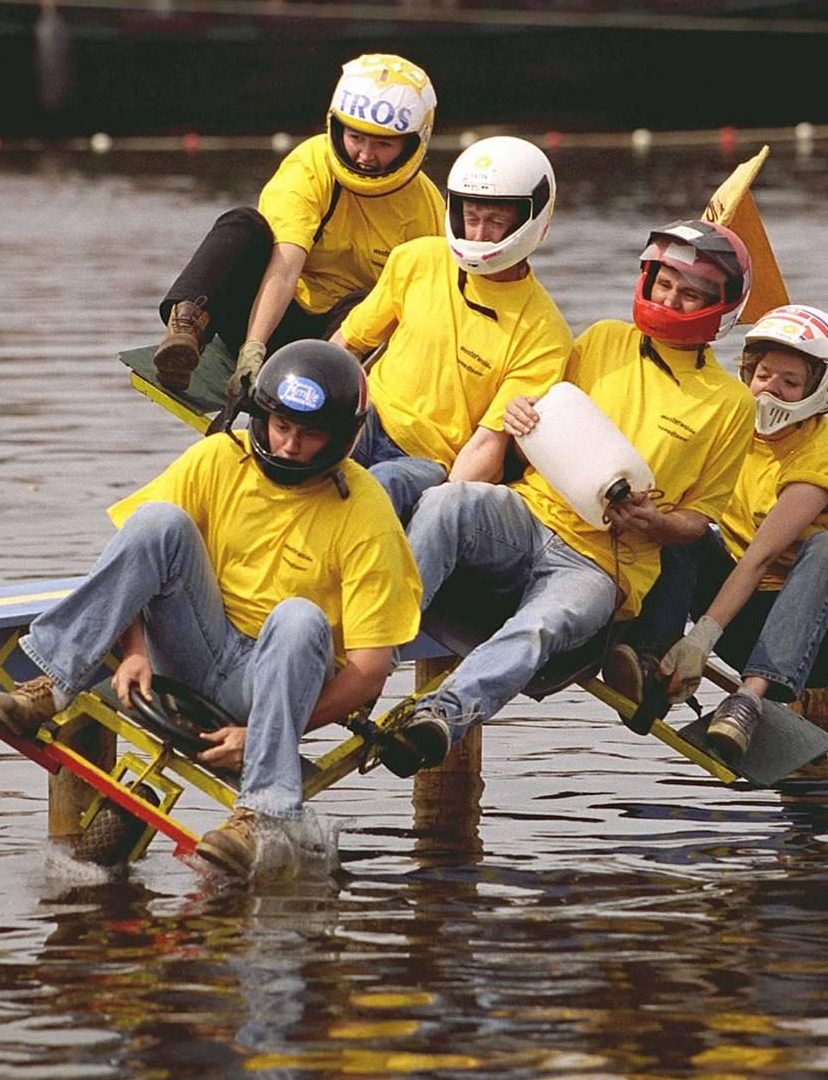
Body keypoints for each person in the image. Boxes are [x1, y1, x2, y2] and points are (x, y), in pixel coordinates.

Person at [0, 341, 422, 878]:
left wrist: (271, 735)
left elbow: (369, 669)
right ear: (261, 416)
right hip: (195, 650)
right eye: (280, 426)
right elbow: (138, 555)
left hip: (272, 687)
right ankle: (53, 684)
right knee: (159, 523)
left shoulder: (366, 511)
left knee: (298, 618)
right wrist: (133, 652)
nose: (289, 446)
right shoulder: (219, 457)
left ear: (340, 438)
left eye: (309, 434)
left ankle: (260, 813)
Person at [383, 219, 756, 776]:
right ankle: (371, 650)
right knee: (449, 503)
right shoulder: (603, 338)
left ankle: (442, 716)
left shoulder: (731, 404)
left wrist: (655, 522)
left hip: (603, 565)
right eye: (664, 284)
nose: (671, 299)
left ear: (719, 307)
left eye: (691, 293)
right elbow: (545, 412)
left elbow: (700, 522)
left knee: (543, 625)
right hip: (528, 515)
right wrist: (518, 414)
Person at [152, 53, 443, 397]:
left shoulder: (426, 208)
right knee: (242, 224)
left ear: (412, 143)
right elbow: (286, 266)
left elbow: (423, 312)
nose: (365, 155)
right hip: (266, 315)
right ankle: (187, 329)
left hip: (338, 345)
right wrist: (253, 350)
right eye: (356, 138)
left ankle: (313, 399)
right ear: (337, 126)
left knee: (366, 304)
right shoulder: (310, 163)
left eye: (383, 144)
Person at [330, 135, 574, 522]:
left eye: (495, 222)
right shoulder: (415, 259)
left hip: (430, 459)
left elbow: (488, 445)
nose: (478, 235)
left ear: (532, 220)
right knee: (318, 458)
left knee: (382, 482)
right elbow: (345, 345)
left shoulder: (545, 334)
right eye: (472, 218)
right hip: (369, 416)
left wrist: (439, 515)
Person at [639, 304, 828, 760]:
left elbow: (758, 558)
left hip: (815, 634)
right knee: (683, 527)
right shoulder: (730, 427)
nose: (773, 390)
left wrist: (702, 639)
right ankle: (652, 662)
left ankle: (749, 699)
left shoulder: (819, 447)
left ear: (816, 390)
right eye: (764, 374)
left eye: (790, 382)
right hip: (745, 617)